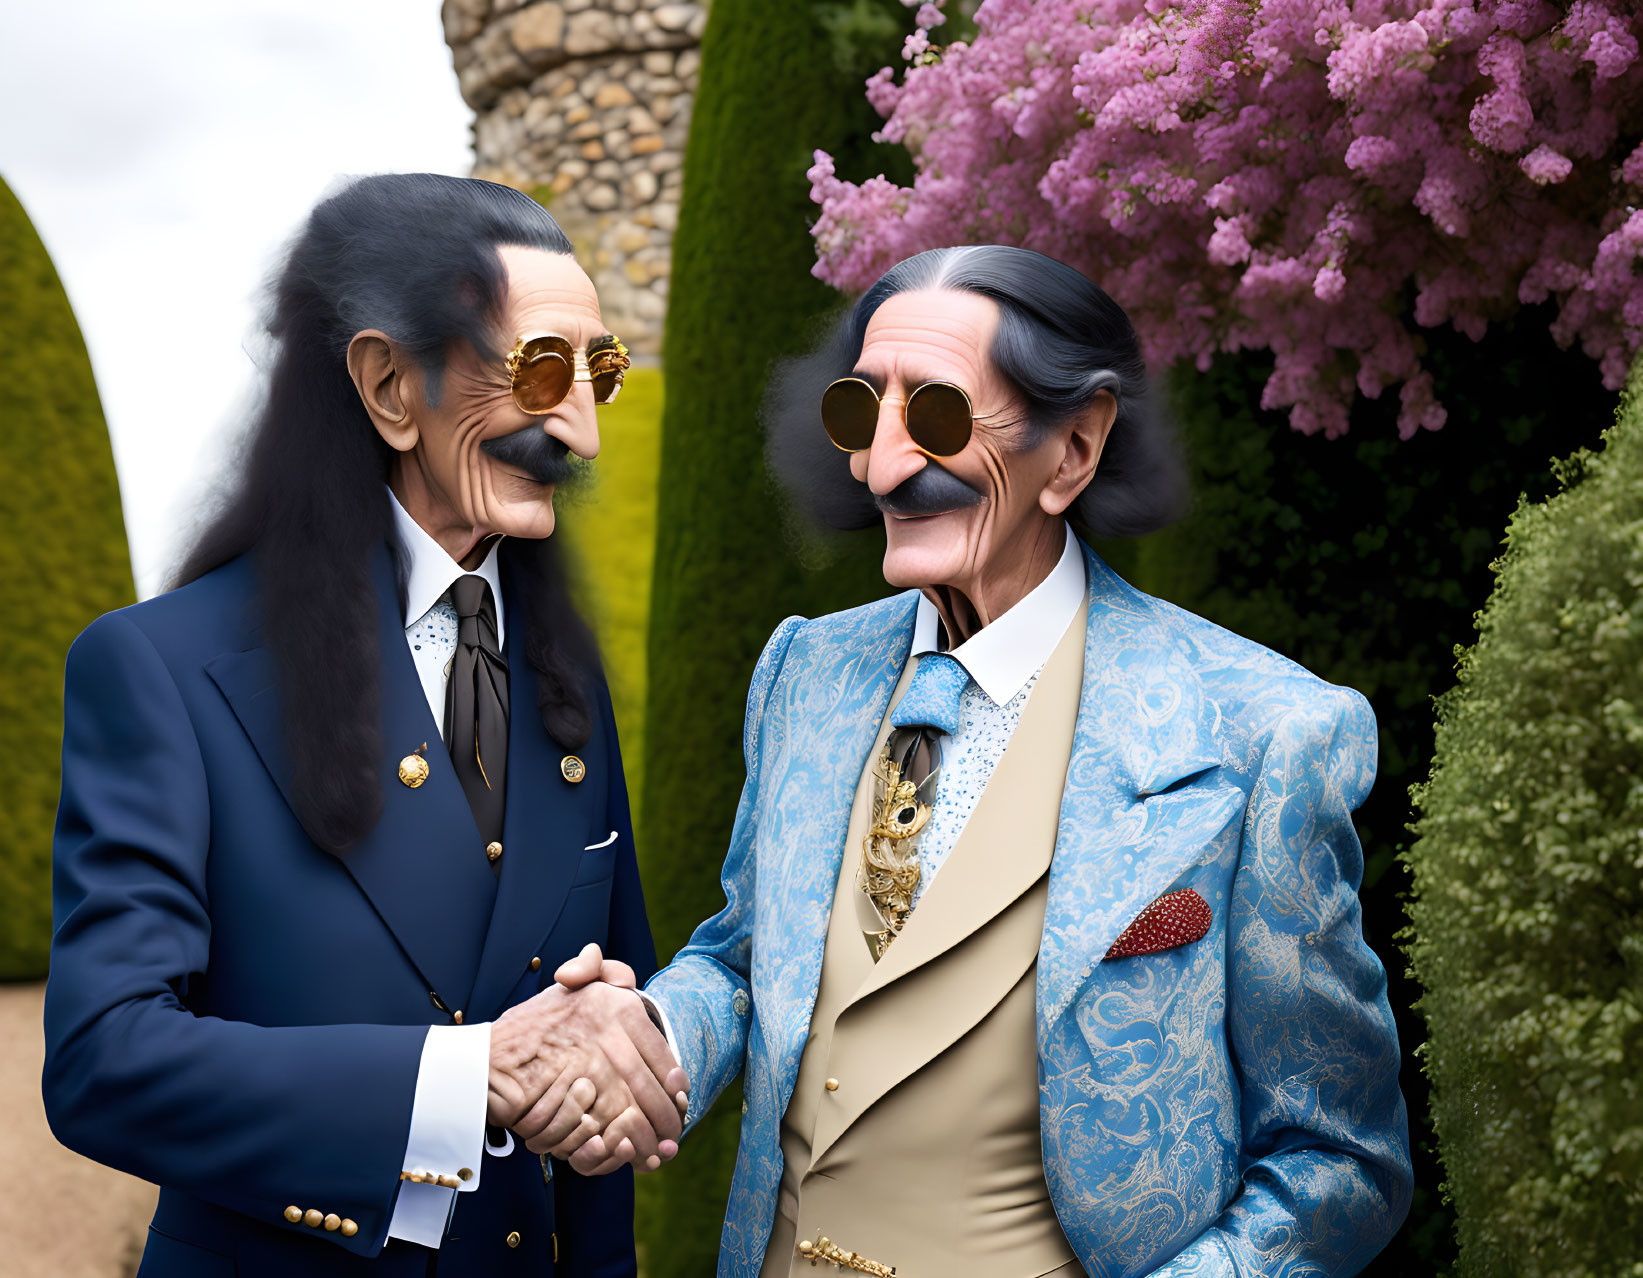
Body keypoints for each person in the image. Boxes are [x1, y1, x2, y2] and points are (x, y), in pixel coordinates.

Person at [551, 245, 1413, 1276]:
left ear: (1072, 451)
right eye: (859, 411)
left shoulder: (1260, 732)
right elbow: (747, 956)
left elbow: (1336, 1160)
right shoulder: (803, 673)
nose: (882, 463)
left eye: (939, 416)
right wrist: (650, 1034)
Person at [43, 173, 686, 1278]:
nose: (580, 429)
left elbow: (601, 1019)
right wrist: (459, 1077)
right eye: (539, 368)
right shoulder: (159, 670)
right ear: (391, 386)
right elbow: (106, 1060)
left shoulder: (560, 672)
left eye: (601, 371)